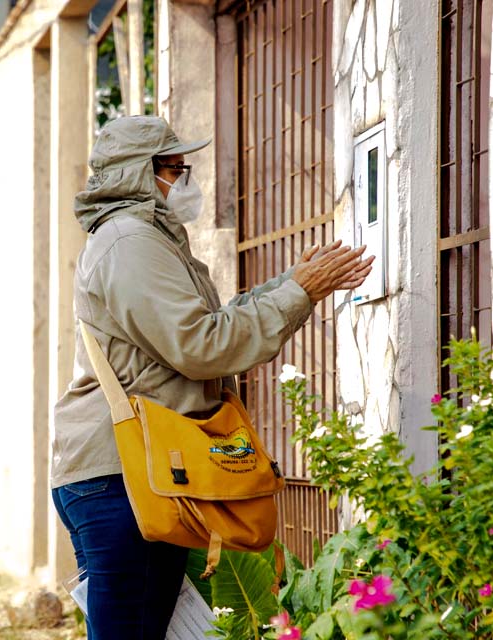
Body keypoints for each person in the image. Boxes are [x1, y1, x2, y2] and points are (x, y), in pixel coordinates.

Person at [51, 115, 374, 639]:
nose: (187, 181)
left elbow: (208, 324)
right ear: (143, 173)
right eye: (177, 169)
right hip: (124, 478)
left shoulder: (145, 237)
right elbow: (201, 346)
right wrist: (301, 294)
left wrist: (291, 283)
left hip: (133, 474)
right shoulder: (129, 241)